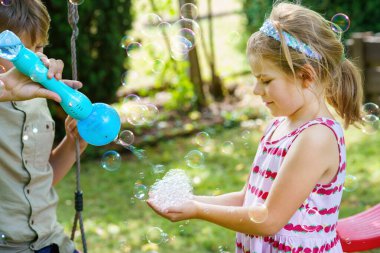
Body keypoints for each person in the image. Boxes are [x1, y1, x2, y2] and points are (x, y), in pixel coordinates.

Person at [147, 2, 363, 252]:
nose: (256, 90)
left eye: (266, 80)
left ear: (306, 76)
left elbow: (269, 219)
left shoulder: (317, 137)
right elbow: (247, 198)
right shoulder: (279, 127)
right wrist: (189, 201)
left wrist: (198, 211)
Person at [0, 1, 87, 252]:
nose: (34, 60)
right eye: (17, 52)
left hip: (52, 242)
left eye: (39, 48)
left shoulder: (38, 98)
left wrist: (73, 144)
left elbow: (38, 181)